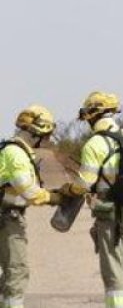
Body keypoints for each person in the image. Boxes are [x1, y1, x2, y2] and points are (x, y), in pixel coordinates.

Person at [59, 92, 123, 308]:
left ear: (93, 114)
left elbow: (83, 184)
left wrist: (69, 189)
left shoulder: (95, 144)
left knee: (113, 268)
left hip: (110, 214)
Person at [1, 105, 63, 308]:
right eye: (45, 135)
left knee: (8, 273)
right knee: (17, 270)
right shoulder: (16, 154)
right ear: (35, 132)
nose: (46, 140)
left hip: (6, 216)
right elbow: (28, 191)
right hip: (7, 220)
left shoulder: (11, 149)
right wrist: (55, 198)